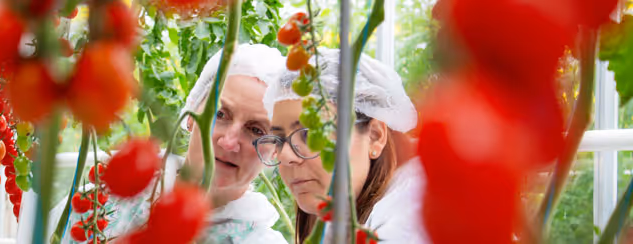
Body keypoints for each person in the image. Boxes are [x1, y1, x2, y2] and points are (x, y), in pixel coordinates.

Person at [47, 43, 289, 244]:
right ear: (192, 115)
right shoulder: (101, 202)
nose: (229, 142)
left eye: (256, 130)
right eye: (220, 114)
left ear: (274, 150)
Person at [254, 48, 428, 243]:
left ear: (375, 136)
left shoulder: (409, 221)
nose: (285, 156)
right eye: (279, 140)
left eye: (310, 134)